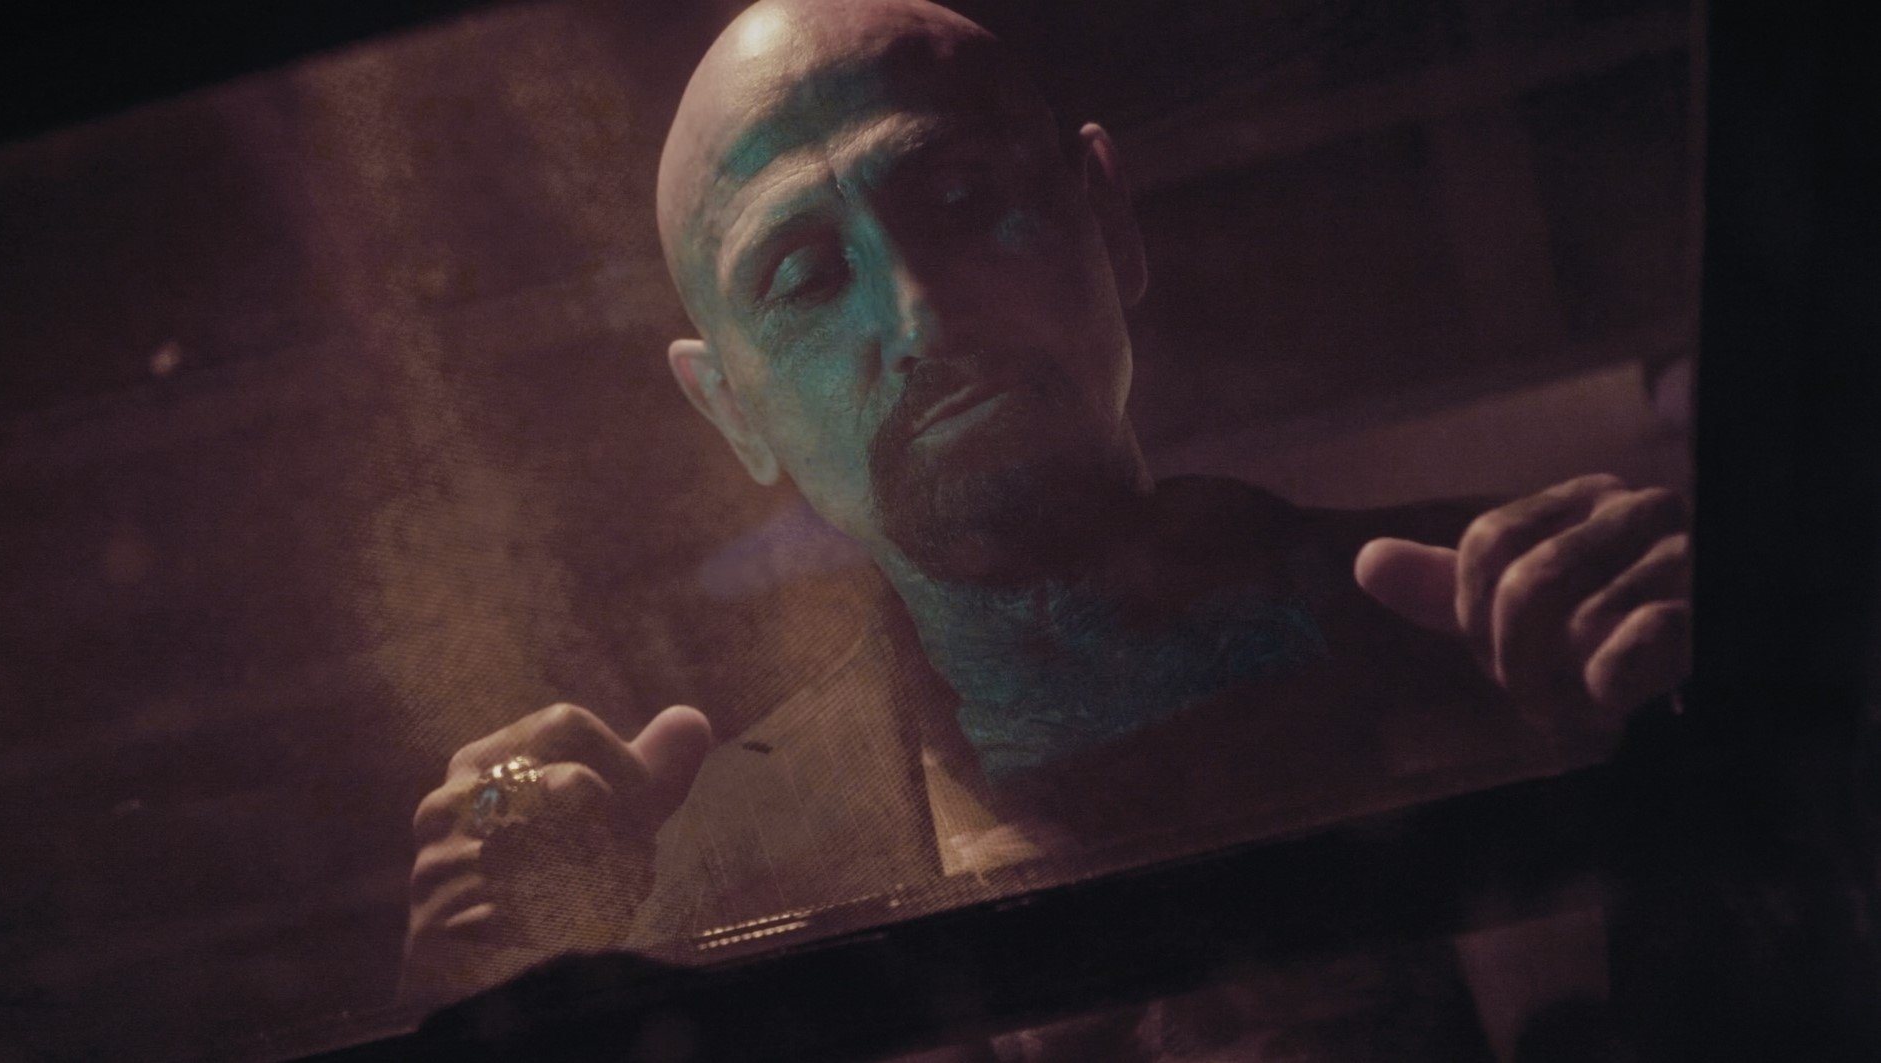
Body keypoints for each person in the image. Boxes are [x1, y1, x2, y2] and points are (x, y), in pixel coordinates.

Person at [401, 0, 1692, 1056]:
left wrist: (1717, 700)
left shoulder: (1508, 627)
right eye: (804, 276)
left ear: (1106, 217)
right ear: (731, 408)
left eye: (961, 199)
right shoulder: (709, 876)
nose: (918, 320)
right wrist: (488, 983)